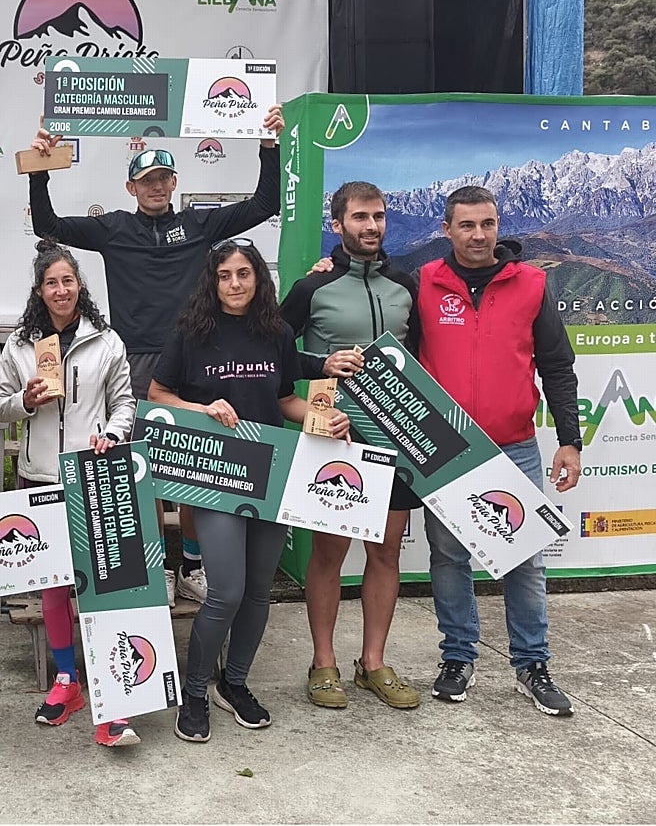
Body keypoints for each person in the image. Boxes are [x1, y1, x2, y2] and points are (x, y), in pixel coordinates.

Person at [29, 105, 286, 605]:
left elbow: (263, 204)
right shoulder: (114, 228)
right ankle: (155, 566)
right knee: (141, 468)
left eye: (164, 178)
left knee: (195, 468)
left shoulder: (198, 225)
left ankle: (189, 562)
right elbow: (48, 223)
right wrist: (39, 171)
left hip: (194, 356)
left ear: (174, 183)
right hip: (134, 362)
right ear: (131, 187)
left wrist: (268, 146)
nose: (156, 187)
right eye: (147, 180)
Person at [148, 239, 350, 743]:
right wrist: (204, 409)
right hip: (215, 476)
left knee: (259, 593)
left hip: (271, 475)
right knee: (228, 591)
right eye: (224, 275)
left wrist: (323, 419)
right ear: (211, 281)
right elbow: (157, 395)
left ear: (258, 277)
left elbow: (284, 400)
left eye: (243, 273)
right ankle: (194, 691)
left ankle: (233, 683)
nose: (235, 284)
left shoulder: (276, 332)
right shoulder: (192, 332)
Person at [414, 186, 581, 716]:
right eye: (466, 226)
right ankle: (457, 657)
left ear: (497, 225)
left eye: (487, 224)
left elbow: (556, 367)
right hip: (446, 447)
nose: (479, 235)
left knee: (525, 559)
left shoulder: (530, 283)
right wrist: (333, 264)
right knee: (448, 556)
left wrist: (570, 440)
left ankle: (531, 664)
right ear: (447, 229)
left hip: (515, 444)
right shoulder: (422, 281)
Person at [279, 181, 422, 711]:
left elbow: (422, 360)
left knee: (385, 553)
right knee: (330, 554)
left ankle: (374, 663)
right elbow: (269, 357)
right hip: (329, 438)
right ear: (337, 225)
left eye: (379, 216)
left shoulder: (405, 285)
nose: (372, 227)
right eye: (360, 217)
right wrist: (320, 365)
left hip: (398, 437)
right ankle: (323, 664)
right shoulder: (310, 289)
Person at [0, 239, 139, 746]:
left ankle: (114, 696)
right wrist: (25, 400)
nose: (61, 290)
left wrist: (113, 435)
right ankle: (66, 682)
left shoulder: (106, 341)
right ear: (39, 290)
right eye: (52, 283)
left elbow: (125, 403)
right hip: (39, 476)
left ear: (80, 287)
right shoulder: (19, 345)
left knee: (99, 585)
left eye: (68, 281)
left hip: (95, 475)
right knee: (54, 587)